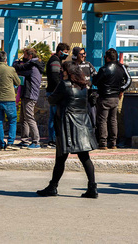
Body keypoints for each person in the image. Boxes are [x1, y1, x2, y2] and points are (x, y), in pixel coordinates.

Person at [37, 62, 98, 198]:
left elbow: (52, 99)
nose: (61, 72)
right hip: (82, 123)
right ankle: (92, 187)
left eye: (62, 70)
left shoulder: (64, 85)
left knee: (60, 158)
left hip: (68, 124)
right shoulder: (84, 85)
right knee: (85, 157)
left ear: (68, 72)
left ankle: (53, 187)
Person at [92, 48, 132, 150]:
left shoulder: (104, 69)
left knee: (102, 120)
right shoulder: (121, 68)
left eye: (105, 57)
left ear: (108, 58)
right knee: (113, 120)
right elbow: (129, 79)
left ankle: (103, 142)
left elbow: (95, 82)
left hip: (105, 97)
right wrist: (121, 89)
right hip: (115, 97)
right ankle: (113, 142)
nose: (104, 58)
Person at [13, 48, 44, 149]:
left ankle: (36, 141)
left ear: (30, 56)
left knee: (29, 118)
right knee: (23, 118)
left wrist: (16, 62)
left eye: (25, 55)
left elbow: (18, 69)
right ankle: (24, 140)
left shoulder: (32, 66)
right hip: (26, 94)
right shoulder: (33, 64)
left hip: (30, 95)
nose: (24, 57)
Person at [45, 43, 70, 148]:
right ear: (61, 51)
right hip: (54, 92)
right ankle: (54, 140)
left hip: (52, 91)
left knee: (53, 116)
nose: (66, 55)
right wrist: (61, 89)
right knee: (56, 117)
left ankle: (52, 139)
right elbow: (55, 78)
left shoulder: (55, 60)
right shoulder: (55, 61)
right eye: (66, 52)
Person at [71, 47, 97, 125]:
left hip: (89, 95)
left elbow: (96, 76)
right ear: (76, 55)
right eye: (81, 54)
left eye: (84, 54)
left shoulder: (88, 64)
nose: (83, 56)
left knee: (92, 116)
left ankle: (93, 132)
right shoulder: (72, 66)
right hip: (77, 95)